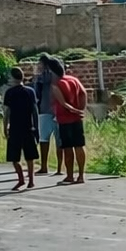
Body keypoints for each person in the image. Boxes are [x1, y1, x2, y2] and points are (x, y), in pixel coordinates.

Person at [43, 55, 88, 185]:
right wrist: (81, 109)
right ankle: (81, 175)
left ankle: (70, 176)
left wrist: (73, 109)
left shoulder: (56, 85)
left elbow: (61, 103)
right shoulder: (73, 80)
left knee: (68, 148)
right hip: (77, 119)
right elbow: (83, 93)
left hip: (64, 119)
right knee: (79, 145)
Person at [3, 66, 40, 190]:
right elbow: (35, 111)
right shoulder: (30, 91)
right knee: (30, 156)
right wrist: (36, 127)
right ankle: (31, 181)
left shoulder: (9, 93)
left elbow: (6, 112)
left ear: (13, 78)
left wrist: (5, 127)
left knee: (14, 157)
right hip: (28, 127)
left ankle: (21, 179)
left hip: (15, 128)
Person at [33, 55, 63, 176]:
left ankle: (48, 166)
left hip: (48, 110)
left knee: (49, 140)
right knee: (54, 140)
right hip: (50, 110)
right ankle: (54, 167)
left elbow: (37, 90)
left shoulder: (46, 77)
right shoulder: (56, 76)